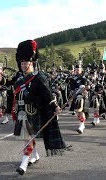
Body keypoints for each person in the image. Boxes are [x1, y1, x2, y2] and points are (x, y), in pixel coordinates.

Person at [12, 40, 68, 175]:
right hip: (21, 112)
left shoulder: (38, 77)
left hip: (33, 112)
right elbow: (13, 95)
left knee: (28, 139)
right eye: (22, 62)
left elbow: (47, 94)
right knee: (27, 137)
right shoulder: (18, 78)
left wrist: (55, 106)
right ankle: (35, 155)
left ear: (32, 62)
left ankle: (23, 164)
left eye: (25, 62)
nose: (23, 65)